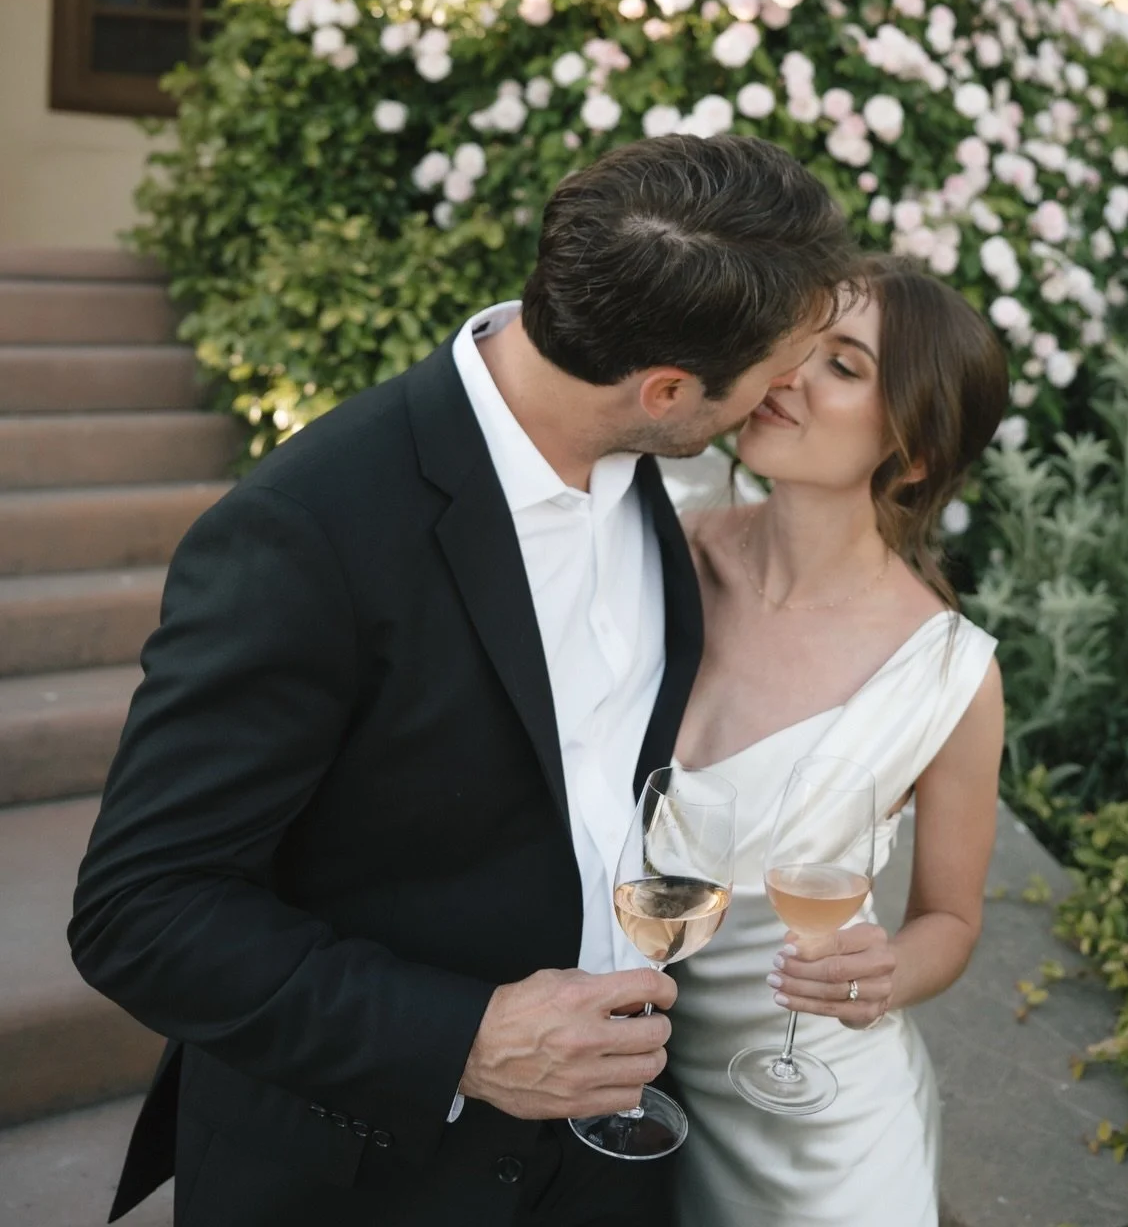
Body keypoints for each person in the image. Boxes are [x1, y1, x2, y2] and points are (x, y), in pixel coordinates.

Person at [69, 134, 855, 1227]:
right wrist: (467, 1040)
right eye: (775, 378)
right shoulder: (308, 533)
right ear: (667, 389)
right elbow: (140, 913)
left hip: (605, 1156)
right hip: (363, 1176)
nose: (786, 399)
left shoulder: (653, 481)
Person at [671, 255, 1009, 1227]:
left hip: (818, 1144)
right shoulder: (671, 554)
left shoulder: (947, 677)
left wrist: (885, 973)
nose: (788, 377)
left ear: (909, 456)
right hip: (630, 1098)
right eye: (798, 344)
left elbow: (950, 921)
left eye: (844, 366)